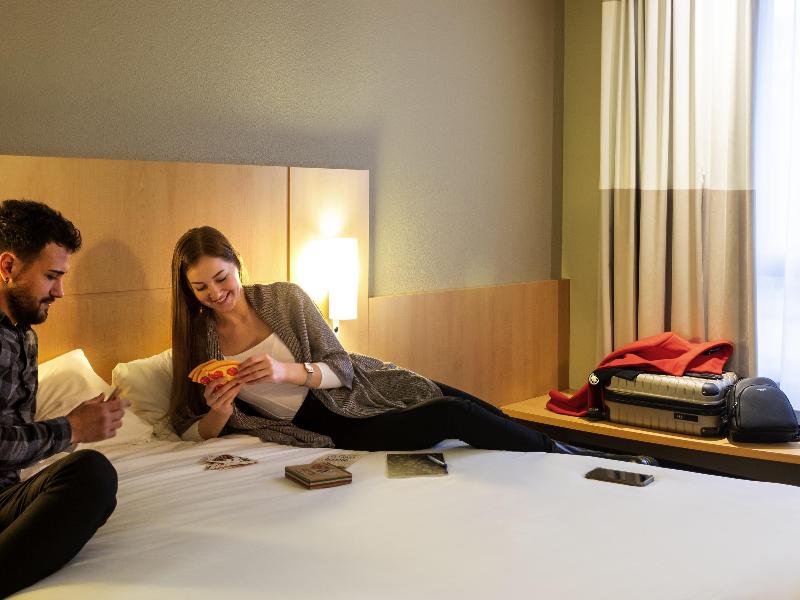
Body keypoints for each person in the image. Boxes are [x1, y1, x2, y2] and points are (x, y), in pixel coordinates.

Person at [169, 226, 655, 464]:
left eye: (221, 278)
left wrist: (285, 372)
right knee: (452, 414)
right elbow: (190, 429)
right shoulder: (200, 346)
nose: (215, 293)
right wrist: (220, 411)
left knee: (467, 401)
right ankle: (570, 458)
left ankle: (583, 452)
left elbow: (341, 365)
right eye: (201, 287)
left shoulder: (285, 299)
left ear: (237, 265)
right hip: (341, 427)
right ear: (189, 291)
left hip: (361, 386)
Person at [0, 200, 128, 598]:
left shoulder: (24, 335)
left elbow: (14, 442)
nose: (60, 291)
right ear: (8, 266)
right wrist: (71, 428)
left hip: (4, 495)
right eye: (51, 276)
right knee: (92, 473)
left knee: (94, 486)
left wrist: (77, 426)